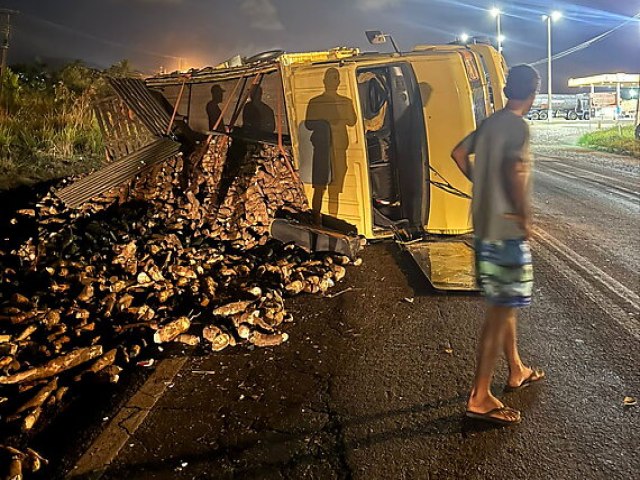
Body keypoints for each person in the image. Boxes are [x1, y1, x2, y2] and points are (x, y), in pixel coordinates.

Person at [451, 64, 545, 426]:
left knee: (504, 303)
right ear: (532, 94)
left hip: (483, 226)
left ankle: (516, 369)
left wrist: (481, 185)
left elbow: (458, 153)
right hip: (505, 229)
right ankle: (479, 396)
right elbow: (514, 172)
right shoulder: (519, 127)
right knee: (499, 312)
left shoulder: (491, 122)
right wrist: (523, 217)